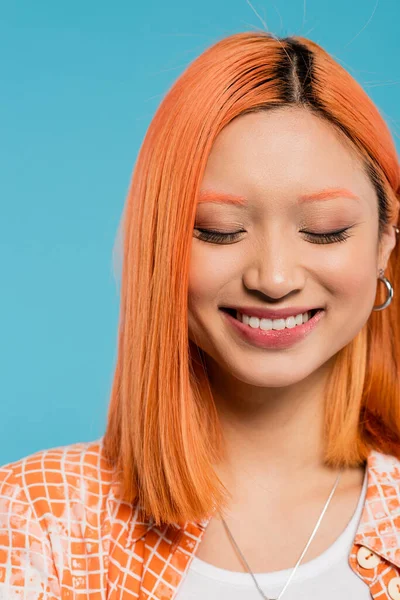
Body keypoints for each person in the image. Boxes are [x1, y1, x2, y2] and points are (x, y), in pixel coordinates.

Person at [1, 30, 400, 600]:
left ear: (386, 240)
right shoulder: (34, 519)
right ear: (161, 243)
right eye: (219, 231)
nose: (275, 278)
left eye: (324, 230)